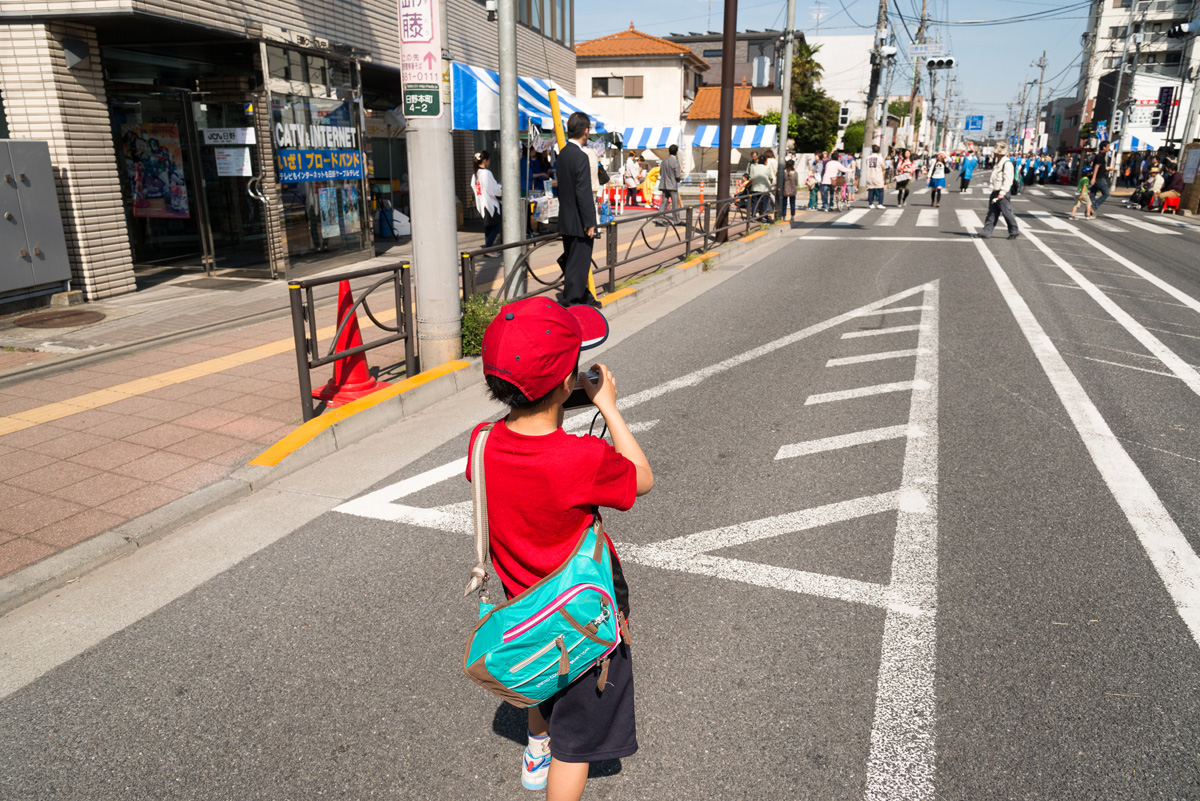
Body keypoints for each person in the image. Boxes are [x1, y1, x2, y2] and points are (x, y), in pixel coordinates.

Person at [469, 297, 653, 799]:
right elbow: (641, 479)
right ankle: (554, 759)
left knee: (543, 663)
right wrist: (608, 406)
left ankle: (535, 747)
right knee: (577, 744)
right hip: (583, 609)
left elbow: (524, 460)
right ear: (566, 382)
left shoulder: (481, 441)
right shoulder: (584, 458)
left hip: (526, 597)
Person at [556, 112, 599, 307]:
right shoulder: (580, 157)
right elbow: (584, 193)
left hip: (566, 217)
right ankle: (573, 302)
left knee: (575, 262)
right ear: (586, 131)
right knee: (578, 263)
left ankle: (584, 297)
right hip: (580, 220)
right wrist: (590, 222)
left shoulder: (563, 154)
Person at [976, 142, 1019, 240]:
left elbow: (1008, 180)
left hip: (1001, 191)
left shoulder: (1007, 163)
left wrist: (1002, 192)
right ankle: (986, 232)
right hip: (996, 190)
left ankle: (1014, 231)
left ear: (999, 153)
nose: (993, 153)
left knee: (1006, 212)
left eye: (995, 152)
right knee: (992, 213)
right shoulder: (999, 162)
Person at [471, 151, 503, 249]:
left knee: (488, 227)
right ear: (485, 161)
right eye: (488, 160)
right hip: (490, 204)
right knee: (496, 226)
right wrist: (501, 191)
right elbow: (493, 189)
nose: (489, 163)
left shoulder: (475, 174)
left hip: (481, 203)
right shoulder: (486, 173)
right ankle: (488, 248)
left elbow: (474, 186)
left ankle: (488, 248)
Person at [659, 144, 682, 223]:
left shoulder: (664, 161)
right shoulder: (675, 161)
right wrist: (679, 179)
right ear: (677, 152)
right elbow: (677, 175)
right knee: (675, 204)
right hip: (672, 186)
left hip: (664, 185)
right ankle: (677, 220)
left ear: (669, 152)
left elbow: (661, 173)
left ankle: (659, 219)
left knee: (663, 203)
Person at [1090, 140, 1111, 213]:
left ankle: (1089, 208)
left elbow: (1097, 166)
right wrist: (1094, 177)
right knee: (1106, 193)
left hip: (1098, 176)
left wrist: (1105, 168)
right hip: (1099, 177)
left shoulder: (1099, 155)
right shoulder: (1100, 156)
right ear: (1103, 147)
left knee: (1093, 193)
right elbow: (1096, 166)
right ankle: (1094, 206)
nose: (1109, 148)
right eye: (1108, 146)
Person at [864, 144, 885, 209]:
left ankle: (871, 203)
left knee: (871, 190)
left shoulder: (868, 158)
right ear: (878, 151)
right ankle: (880, 203)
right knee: (881, 189)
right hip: (877, 176)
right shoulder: (880, 158)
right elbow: (883, 167)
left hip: (870, 175)